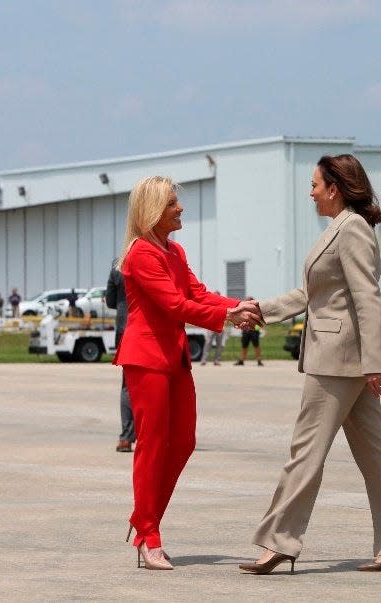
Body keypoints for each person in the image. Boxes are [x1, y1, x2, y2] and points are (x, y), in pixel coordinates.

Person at [239, 154, 381, 575]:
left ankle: (280, 541)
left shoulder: (352, 228)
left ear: (335, 187)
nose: (311, 192)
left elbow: (367, 297)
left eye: (315, 184)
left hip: (338, 361)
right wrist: (262, 309)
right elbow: (311, 295)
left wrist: (376, 362)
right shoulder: (338, 228)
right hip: (344, 358)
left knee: (305, 452)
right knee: (377, 454)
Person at [113, 175, 262, 570]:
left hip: (174, 360)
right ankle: (149, 533)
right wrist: (226, 316)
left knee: (182, 442)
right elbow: (174, 305)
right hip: (146, 359)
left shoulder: (174, 253)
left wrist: (240, 305)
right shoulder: (141, 254)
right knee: (151, 445)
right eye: (173, 204)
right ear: (153, 211)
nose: (180, 209)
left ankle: (143, 522)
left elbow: (197, 294)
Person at [106, 261, 134, 452]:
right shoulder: (153, 256)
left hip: (123, 327)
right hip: (147, 326)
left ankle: (126, 437)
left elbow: (110, 301)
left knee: (128, 384)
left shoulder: (118, 265)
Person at [201, 292, 226, 366]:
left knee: (219, 344)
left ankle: (217, 360)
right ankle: (203, 360)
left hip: (220, 326)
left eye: (217, 295)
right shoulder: (210, 304)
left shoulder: (222, 304)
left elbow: (226, 314)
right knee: (208, 343)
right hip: (211, 326)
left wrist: (225, 324)